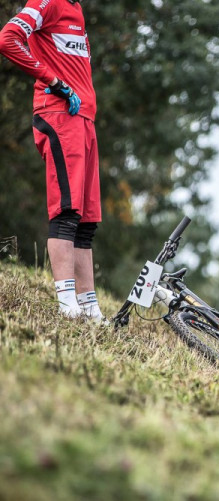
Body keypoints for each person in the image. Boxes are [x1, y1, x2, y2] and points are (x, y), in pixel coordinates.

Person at [0, 0, 104, 321]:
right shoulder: (49, 0)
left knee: (87, 221)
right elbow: (8, 38)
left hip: (84, 119)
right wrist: (54, 82)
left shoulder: (77, 8)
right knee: (67, 210)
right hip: (59, 114)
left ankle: (89, 307)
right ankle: (66, 303)